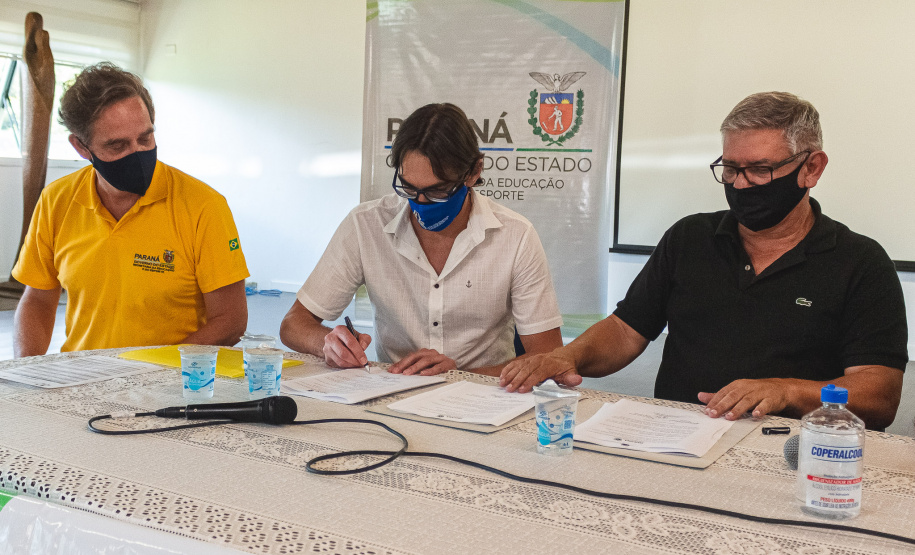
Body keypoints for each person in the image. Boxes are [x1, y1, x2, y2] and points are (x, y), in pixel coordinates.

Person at [500, 91, 907, 430]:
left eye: (760, 170)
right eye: (730, 169)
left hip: (793, 450)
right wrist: (568, 356)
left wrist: (788, 390)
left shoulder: (861, 263)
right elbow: (626, 331)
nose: (741, 184)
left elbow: (879, 393)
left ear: (811, 168)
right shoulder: (690, 238)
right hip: (678, 437)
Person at [280, 103, 563, 376]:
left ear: (474, 172)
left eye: (439, 191)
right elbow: (294, 324)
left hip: (482, 397)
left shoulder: (515, 236)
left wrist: (459, 377)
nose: (421, 202)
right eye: (409, 188)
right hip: (390, 392)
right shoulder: (366, 224)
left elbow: (547, 356)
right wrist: (329, 343)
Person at [13, 62, 249, 356]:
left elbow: (230, 321)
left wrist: (154, 368)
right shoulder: (57, 201)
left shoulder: (203, 205)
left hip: (170, 379)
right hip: (83, 377)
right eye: (118, 145)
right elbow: (37, 299)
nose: (137, 154)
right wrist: (26, 371)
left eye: (145, 138)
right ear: (81, 147)